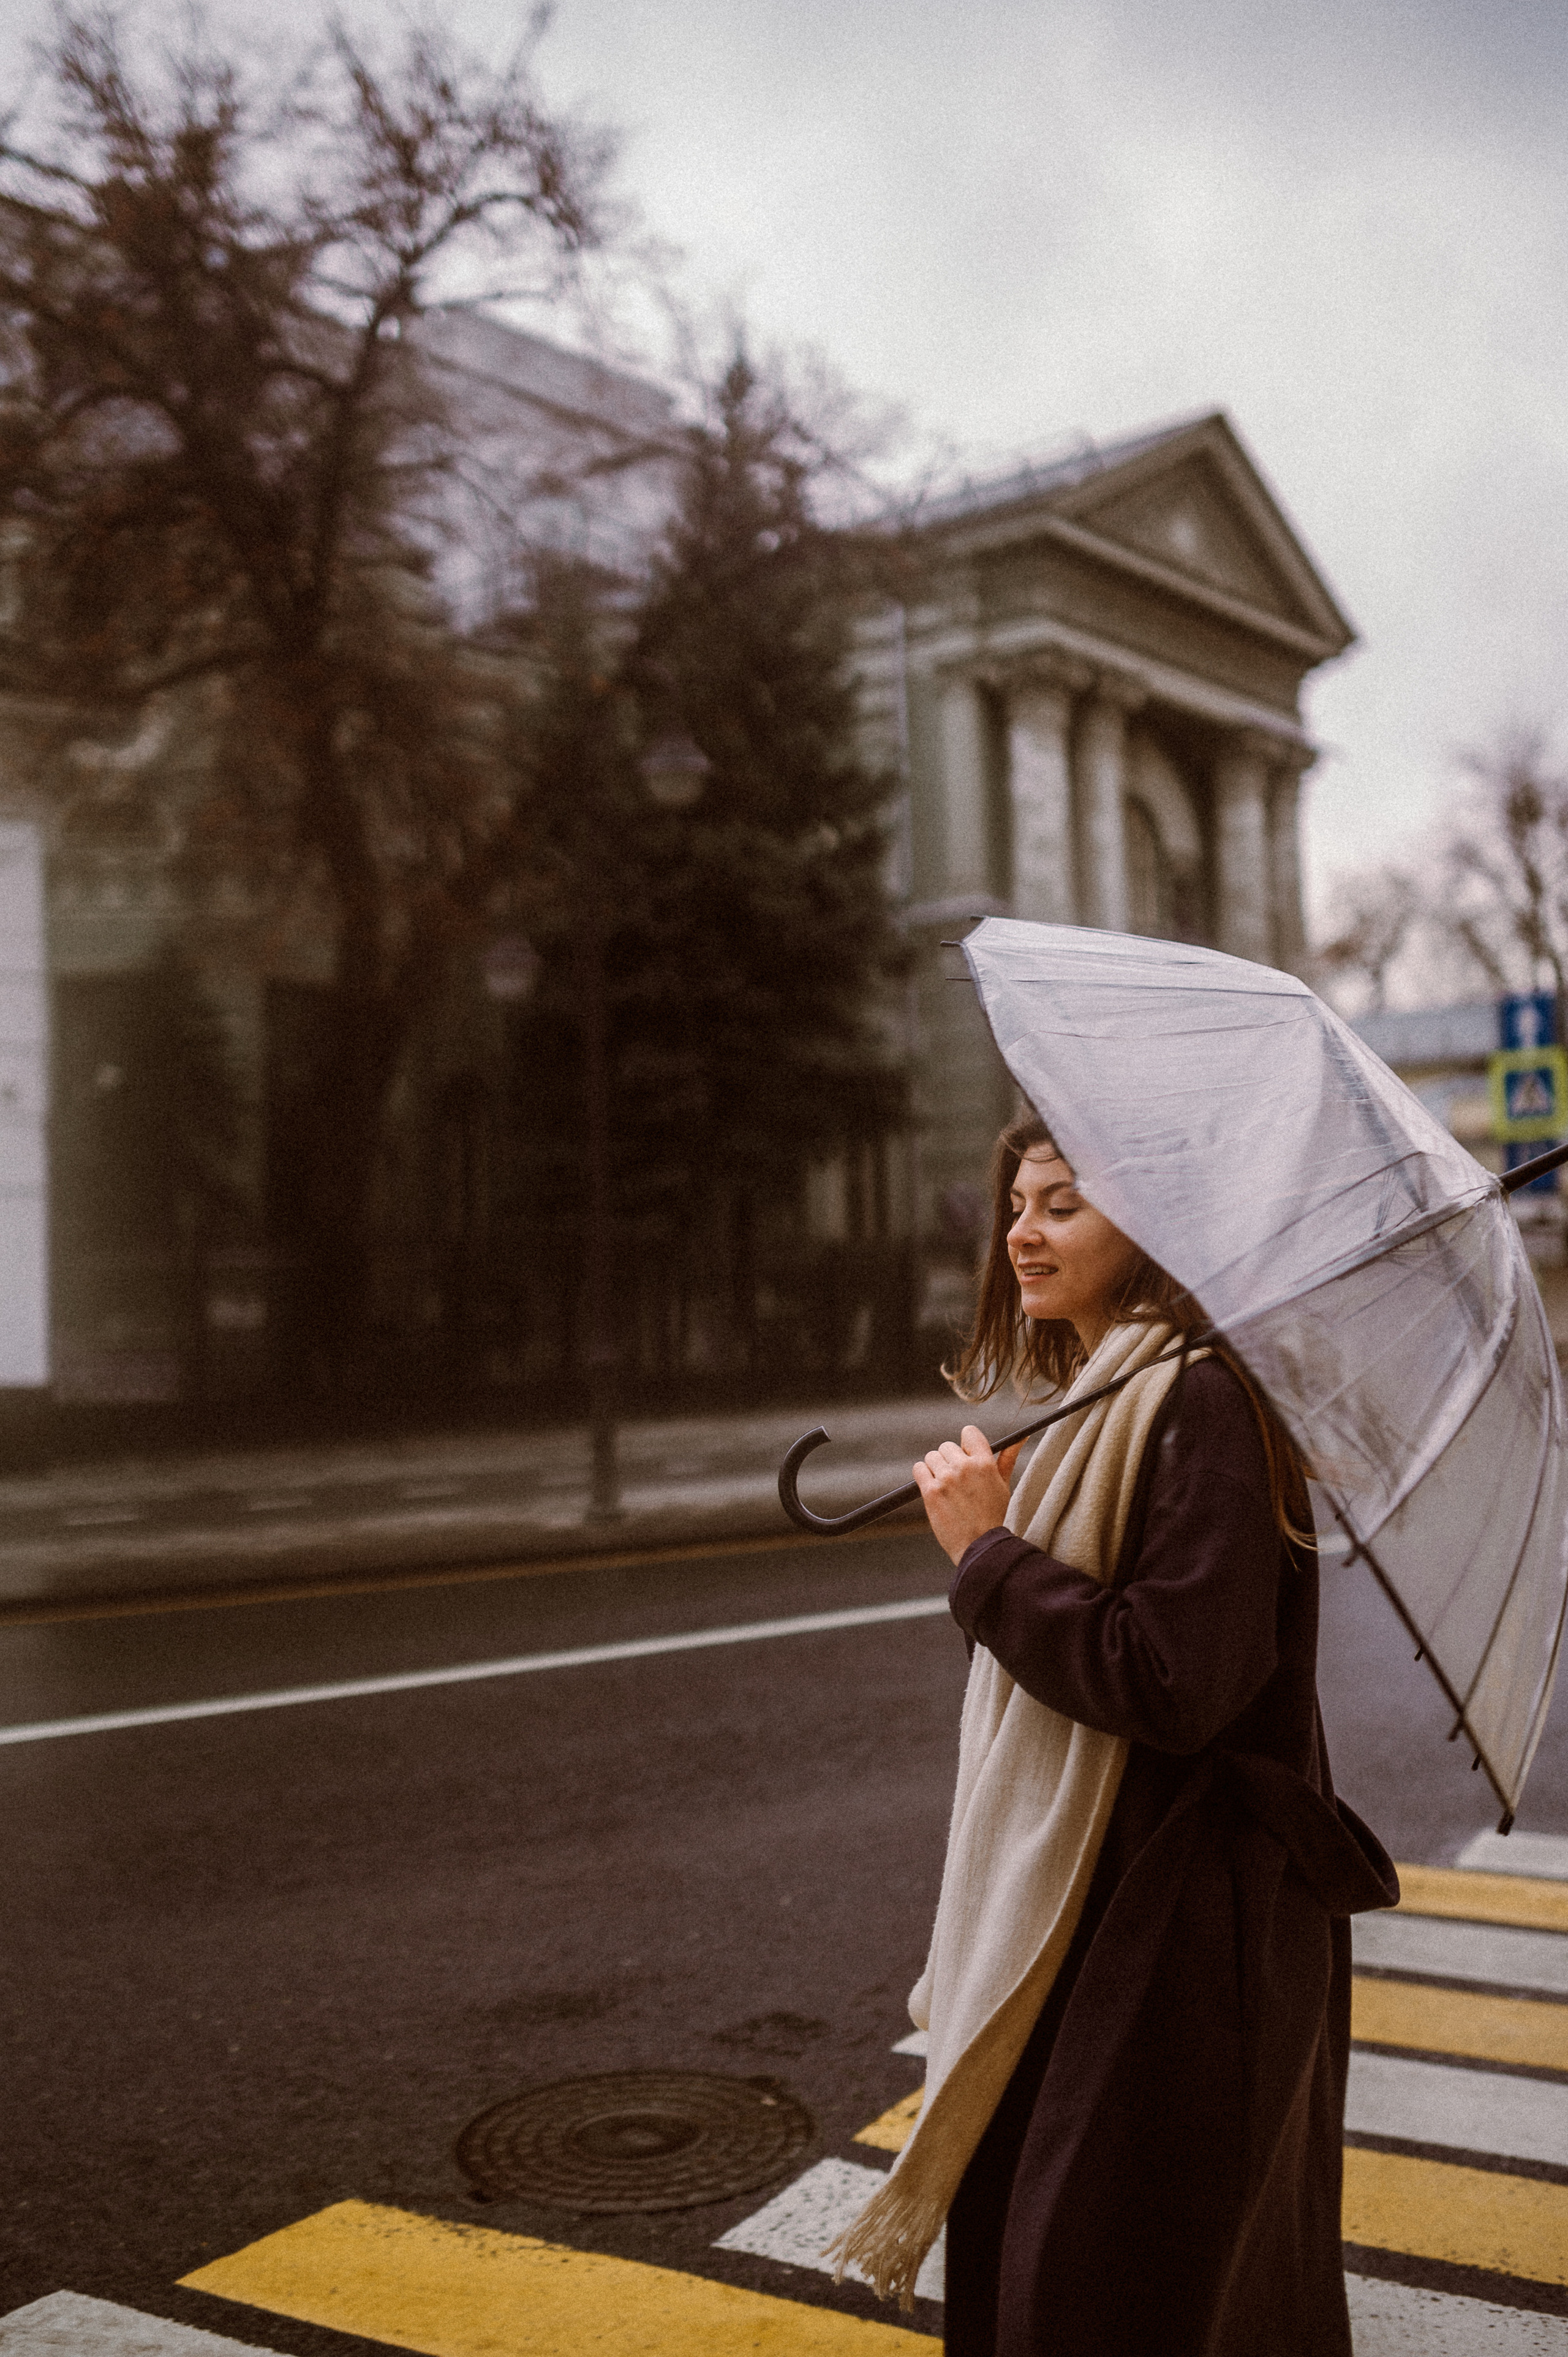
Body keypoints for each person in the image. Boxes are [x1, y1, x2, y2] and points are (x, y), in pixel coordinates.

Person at [829, 1113, 1396, 2357]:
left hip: (1185, 1929)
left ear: (1147, 1227)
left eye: (1062, 1204)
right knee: (1108, 2266)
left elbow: (1168, 1678)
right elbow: (1068, 1672)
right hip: (1109, 1903)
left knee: (1128, 2280)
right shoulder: (1107, 1403)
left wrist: (987, 1559)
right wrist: (1001, 1547)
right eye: (1017, 1204)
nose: (1022, 1232)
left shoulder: (1202, 1399)